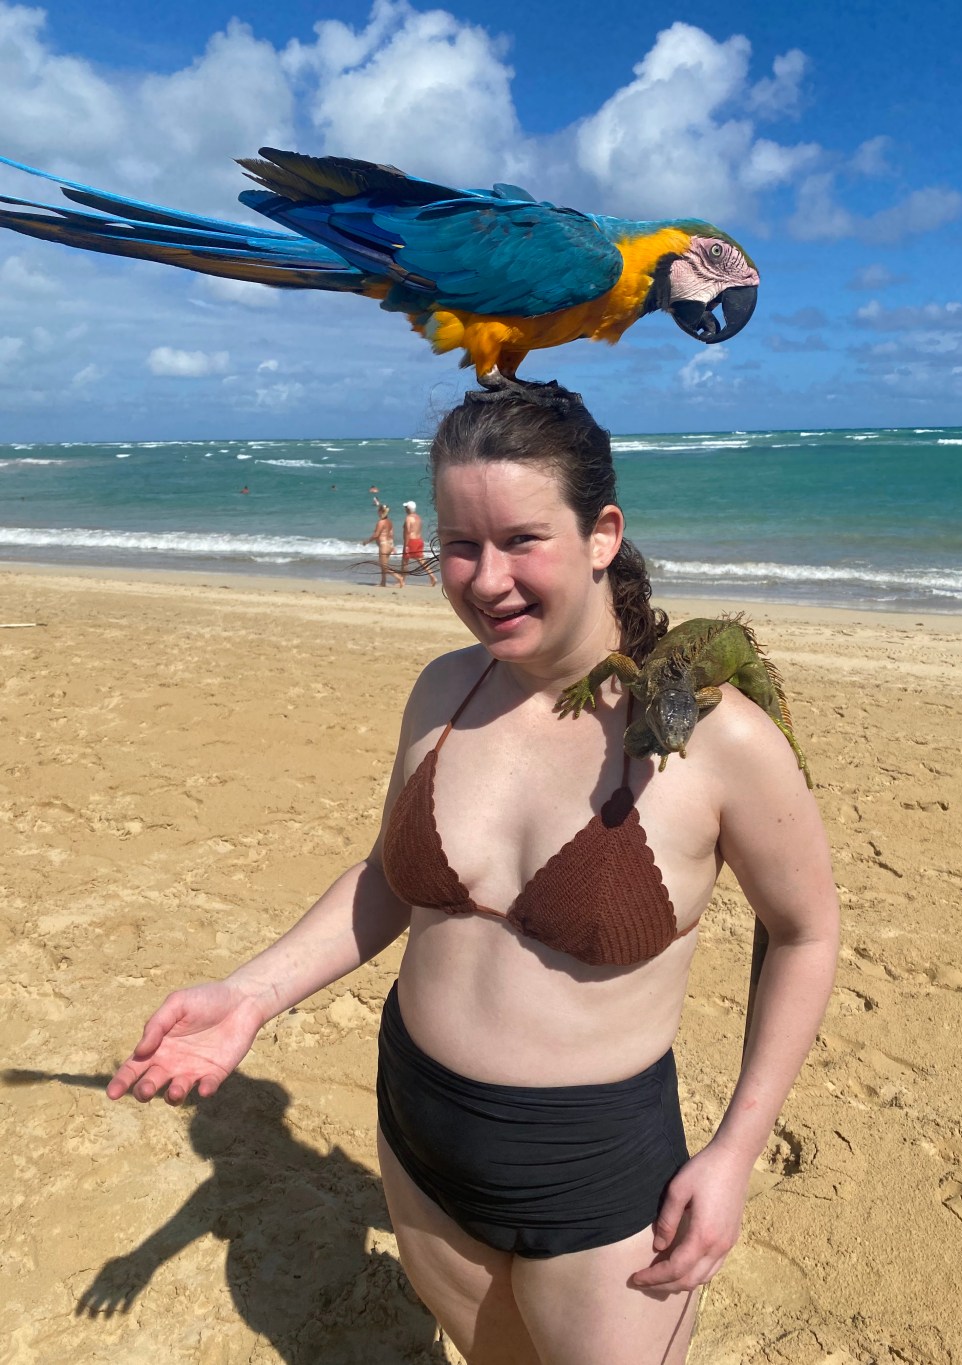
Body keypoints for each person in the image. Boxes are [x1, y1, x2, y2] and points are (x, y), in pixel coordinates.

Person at [107, 384, 839, 1365]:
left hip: (598, 1182)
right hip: (418, 1137)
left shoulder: (713, 736)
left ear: (601, 534)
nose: (485, 579)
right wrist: (249, 996)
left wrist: (734, 1153)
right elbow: (388, 882)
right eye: (460, 544)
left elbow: (804, 932)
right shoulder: (445, 693)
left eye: (522, 540)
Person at [362, 501, 404, 588]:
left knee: (383, 566)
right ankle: (383, 582)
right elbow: (391, 534)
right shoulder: (389, 522)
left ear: (380, 511)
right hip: (389, 544)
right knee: (384, 565)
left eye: (378, 511)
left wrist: (367, 541)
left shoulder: (380, 522)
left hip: (383, 545)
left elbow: (376, 535)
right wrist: (393, 546)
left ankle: (399, 577)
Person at [400, 500, 437, 585]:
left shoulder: (408, 518)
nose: (405, 509)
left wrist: (406, 545)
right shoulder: (418, 517)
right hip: (419, 540)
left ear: (408, 509)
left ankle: (402, 580)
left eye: (406, 507)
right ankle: (432, 576)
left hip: (411, 541)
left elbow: (407, 532)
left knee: (405, 561)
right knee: (421, 560)